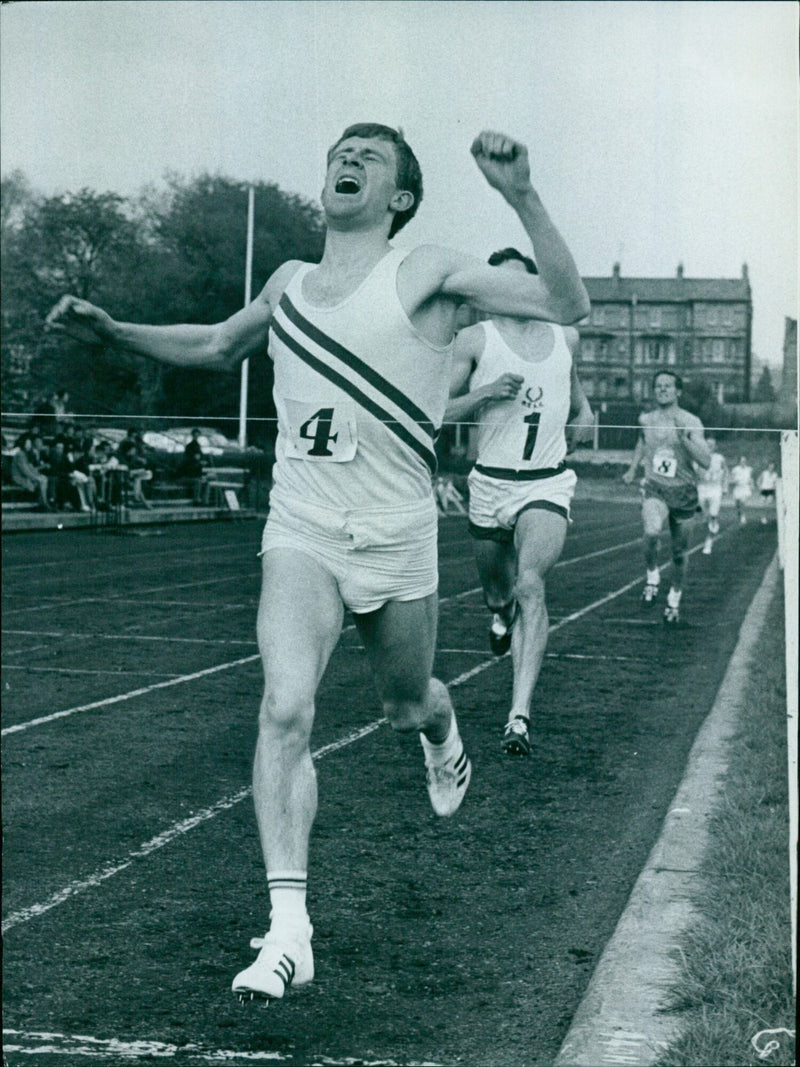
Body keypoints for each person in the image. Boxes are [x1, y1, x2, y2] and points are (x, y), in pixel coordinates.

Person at [46, 125, 589, 1002]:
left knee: (407, 700)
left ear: (399, 197)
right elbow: (217, 344)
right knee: (285, 706)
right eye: (341, 151)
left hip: (398, 528)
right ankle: (290, 929)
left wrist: (521, 195)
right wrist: (113, 331)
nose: (348, 162)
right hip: (302, 525)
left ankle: (443, 738)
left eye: (370, 158)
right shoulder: (289, 282)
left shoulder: (430, 272)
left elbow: (568, 304)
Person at [445, 247, 593, 756]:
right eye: (499, 285)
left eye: (521, 284)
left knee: (531, 584)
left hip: (546, 483)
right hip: (489, 484)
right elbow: (435, 410)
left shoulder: (564, 336)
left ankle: (518, 718)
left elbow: (576, 395)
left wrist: (587, 413)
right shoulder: (474, 339)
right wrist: (483, 394)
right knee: (499, 595)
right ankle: (500, 614)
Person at [622, 371, 711, 623]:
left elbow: (705, 461)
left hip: (683, 492)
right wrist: (632, 469)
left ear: (678, 391)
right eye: (658, 386)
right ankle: (652, 577)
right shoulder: (646, 419)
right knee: (651, 531)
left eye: (667, 386)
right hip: (655, 488)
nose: (662, 390)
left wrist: (685, 439)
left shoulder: (690, 421)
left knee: (679, 553)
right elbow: (642, 442)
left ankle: (673, 600)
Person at [696, 436, 728, 554]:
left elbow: (726, 471)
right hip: (702, 488)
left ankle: (708, 542)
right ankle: (712, 523)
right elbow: (693, 473)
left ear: (715, 447)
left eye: (711, 445)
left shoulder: (719, 458)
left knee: (712, 515)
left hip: (715, 489)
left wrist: (725, 486)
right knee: (705, 517)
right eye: (707, 444)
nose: (709, 447)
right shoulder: (698, 457)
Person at [10, 434, 51, 510]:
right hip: (19, 478)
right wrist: (35, 477)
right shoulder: (20, 454)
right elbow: (24, 470)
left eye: (29, 444)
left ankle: (42, 503)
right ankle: (43, 503)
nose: (29, 446)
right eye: (27, 444)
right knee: (42, 481)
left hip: (25, 476)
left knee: (43, 479)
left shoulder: (25, 454)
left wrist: (37, 475)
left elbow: (30, 468)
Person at [118, 428, 154, 508]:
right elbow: (126, 467)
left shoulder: (133, 452)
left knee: (138, 480)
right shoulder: (122, 455)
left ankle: (141, 500)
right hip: (124, 475)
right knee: (138, 480)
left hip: (132, 474)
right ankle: (143, 502)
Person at [177, 428, 208, 505]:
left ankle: (205, 501)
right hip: (186, 477)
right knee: (198, 481)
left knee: (205, 482)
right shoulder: (188, 461)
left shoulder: (196, 461)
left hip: (193, 475)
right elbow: (188, 472)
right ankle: (196, 500)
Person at [729, 455, 754, 524]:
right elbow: (731, 479)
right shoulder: (735, 469)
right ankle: (739, 514)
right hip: (738, 488)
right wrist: (734, 481)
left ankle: (743, 516)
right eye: (741, 461)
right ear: (739, 462)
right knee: (737, 504)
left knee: (742, 502)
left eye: (744, 461)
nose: (743, 462)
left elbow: (751, 479)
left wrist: (752, 485)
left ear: (746, 461)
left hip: (745, 488)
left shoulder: (749, 469)